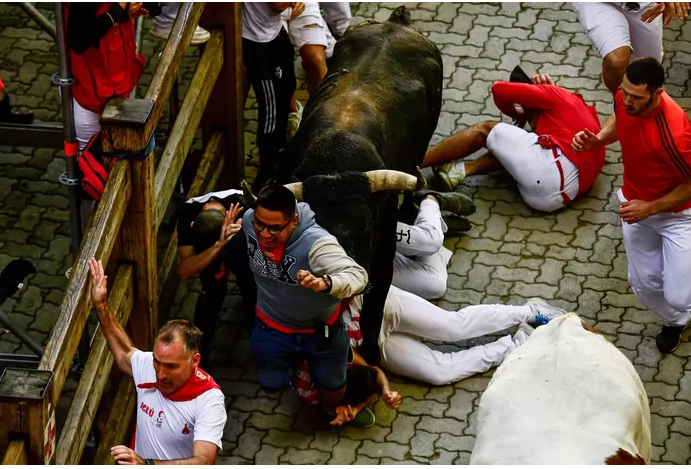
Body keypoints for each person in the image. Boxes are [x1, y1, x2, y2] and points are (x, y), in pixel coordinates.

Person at [572, 57, 691, 354]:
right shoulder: (624, 97)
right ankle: (676, 322)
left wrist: (650, 208)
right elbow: (618, 121)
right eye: (624, 91)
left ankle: (679, 307)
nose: (626, 100)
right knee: (644, 284)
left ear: (658, 92)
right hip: (635, 207)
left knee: (678, 295)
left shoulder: (675, 135)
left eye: (636, 97)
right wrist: (597, 140)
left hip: (677, 215)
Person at [243, 185, 368, 416]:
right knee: (271, 384)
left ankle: (336, 406)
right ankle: (297, 375)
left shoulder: (317, 244)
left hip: (320, 332)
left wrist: (325, 283)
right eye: (260, 224)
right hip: (270, 326)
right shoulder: (248, 221)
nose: (263, 234)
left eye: (274, 228)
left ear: (294, 221)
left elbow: (358, 276)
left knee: (332, 390)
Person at [87, 258, 226, 465]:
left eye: (171, 366)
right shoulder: (149, 367)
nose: (160, 374)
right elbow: (125, 352)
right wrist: (101, 305)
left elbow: (203, 460)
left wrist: (148, 465)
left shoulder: (209, 400)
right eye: (157, 361)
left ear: (194, 361)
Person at [425, 70, 605, 213]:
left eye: (528, 112)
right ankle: (460, 170)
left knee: (485, 131)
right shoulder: (581, 117)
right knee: (513, 146)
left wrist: (516, 114)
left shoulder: (555, 96)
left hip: (547, 177)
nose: (531, 123)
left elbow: (498, 89)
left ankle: (412, 161)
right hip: (552, 201)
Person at [315, 284, 566, 387]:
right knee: (437, 373)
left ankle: (530, 312)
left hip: (374, 305)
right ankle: (516, 345)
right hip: (368, 343)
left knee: (453, 327)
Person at [176, 189, 256, 370]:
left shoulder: (245, 207)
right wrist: (219, 246)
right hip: (214, 250)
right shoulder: (188, 213)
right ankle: (200, 358)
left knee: (251, 288)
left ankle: (259, 345)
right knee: (211, 292)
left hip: (241, 243)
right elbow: (184, 271)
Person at [65, 2, 157, 151]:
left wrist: (131, 8)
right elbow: (79, 40)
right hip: (91, 99)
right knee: (92, 163)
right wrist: (116, 11)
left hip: (117, 86)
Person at [242, 3, 301, 191]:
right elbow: (277, 5)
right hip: (258, 41)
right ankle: (267, 173)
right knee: (271, 109)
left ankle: (282, 147)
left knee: (287, 86)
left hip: (273, 32)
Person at [572, 2, 689, 95]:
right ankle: (621, 108)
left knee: (648, 70)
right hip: (598, 3)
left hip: (643, 5)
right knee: (617, 60)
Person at [393, 190, 475, 300]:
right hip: (368, 267)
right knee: (436, 285)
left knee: (430, 240)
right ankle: (434, 225)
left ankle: (431, 200)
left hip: (369, 231)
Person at [292, 347, 402, 428]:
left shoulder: (338, 349)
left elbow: (374, 371)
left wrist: (385, 392)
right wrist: (356, 409)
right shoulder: (311, 395)